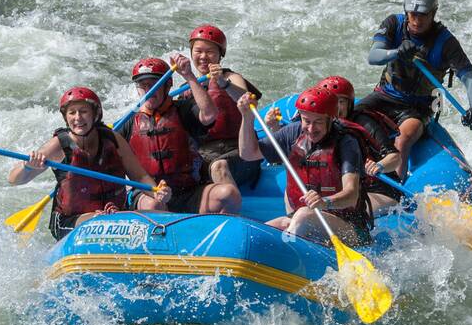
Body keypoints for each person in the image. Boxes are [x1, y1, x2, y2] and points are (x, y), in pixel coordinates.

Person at [359, 0, 472, 179]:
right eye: (413, 14)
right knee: (351, 118)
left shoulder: (446, 43)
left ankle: (397, 187)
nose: (417, 20)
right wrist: (397, 52)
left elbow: (469, 79)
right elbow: (373, 57)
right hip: (385, 95)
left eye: (423, 15)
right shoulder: (393, 24)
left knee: (403, 138)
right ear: (406, 12)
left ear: (433, 13)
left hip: (419, 106)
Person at [8, 86, 150, 240]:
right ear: (66, 117)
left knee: (157, 210)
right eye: (72, 112)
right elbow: (14, 179)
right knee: (99, 222)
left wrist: (159, 192)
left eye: (83, 111)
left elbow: (141, 177)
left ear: (95, 114)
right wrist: (28, 166)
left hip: (113, 215)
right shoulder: (58, 146)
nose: (77, 117)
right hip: (69, 221)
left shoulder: (113, 140)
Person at [237, 86, 373, 246]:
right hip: (301, 220)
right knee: (256, 235)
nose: (310, 128)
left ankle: (289, 255)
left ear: (330, 118)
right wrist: (246, 117)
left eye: (318, 122)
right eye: (306, 121)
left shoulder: (346, 142)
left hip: (350, 229)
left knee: (303, 215)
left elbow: (351, 195)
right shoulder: (292, 133)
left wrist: (325, 202)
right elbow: (248, 153)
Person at [117, 55, 242, 215]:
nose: (148, 91)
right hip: (150, 194)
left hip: (188, 191)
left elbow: (210, 114)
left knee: (229, 195)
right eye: (143, 85)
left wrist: (188, 75)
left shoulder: (183, 110)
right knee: (155, 205)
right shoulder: (127, 123)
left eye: (154, 85)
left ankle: (215, 232)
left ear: (167, 85)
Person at [174, 24, 262, 190]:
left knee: (219, 166)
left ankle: (233, 211)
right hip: (205, 154)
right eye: (198, 51)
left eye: (210, 52)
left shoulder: (230, 77)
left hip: (239, 151)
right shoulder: (186, 90)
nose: (203, 56)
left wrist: (223, 83)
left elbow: (245, 100)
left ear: (220, 56)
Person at [316, 75, 403, 215]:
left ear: (349, 104)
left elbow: (395, 157)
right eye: (331, 101)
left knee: (340, 212)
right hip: (345, 189)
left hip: (377, 190)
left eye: (340, 101)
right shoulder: (319, 126)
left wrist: (379, 166)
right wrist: (275, 128)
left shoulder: (363, 123)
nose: (335, 106)